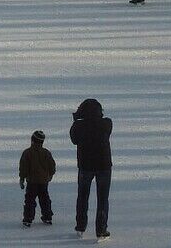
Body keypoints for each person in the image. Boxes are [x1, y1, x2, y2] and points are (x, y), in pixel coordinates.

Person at [70, 99, 112, 241]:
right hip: (104, 165)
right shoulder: (106, 123)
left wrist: (77, 119)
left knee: (82, 197)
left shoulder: (79, 125)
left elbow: (74, 139)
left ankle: (80, 227)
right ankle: (101, 230)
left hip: (85, 165)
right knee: (102, 199)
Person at [19, 130, 56, 227]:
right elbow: (52, 165)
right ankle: (47, 216)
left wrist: (22, 178)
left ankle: (28, 218)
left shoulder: (27, 153)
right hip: (44, 181)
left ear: (32, 140)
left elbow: (23, 167)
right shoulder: (46, 153)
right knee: (45, 199)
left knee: (30, 200)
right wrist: (50, 175)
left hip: (32, 181)